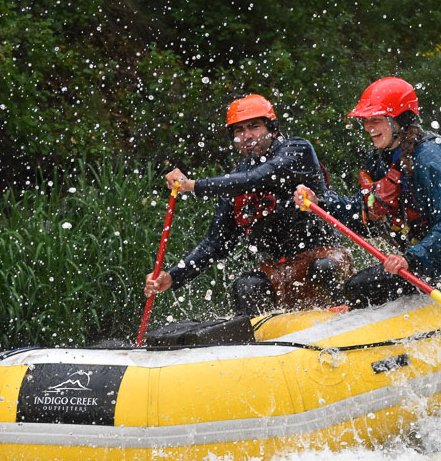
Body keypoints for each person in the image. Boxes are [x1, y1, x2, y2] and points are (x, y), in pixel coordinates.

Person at [294, 77, 441, 309]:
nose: (367, 128)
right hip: (424, 261)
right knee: (356, 287)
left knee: (359, 286)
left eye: (376, 120)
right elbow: (365, 210)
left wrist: (411, 259)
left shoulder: (431, 158)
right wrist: (320, 203)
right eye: (366, 121)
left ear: (398, 121)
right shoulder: (383, 157)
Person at [143, 94, 352, 315]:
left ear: (271, 128)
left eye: (254, 127)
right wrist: (173, 276)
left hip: (323, 256)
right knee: (246, 286)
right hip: (278, 270)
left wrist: (193, 185)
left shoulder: (297, 150)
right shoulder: (236, 181)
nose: (247, 136)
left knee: (323, 269)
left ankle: (342, 319)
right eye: (239, 131)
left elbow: (260, 177)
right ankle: (257, 339)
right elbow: (215, 244)